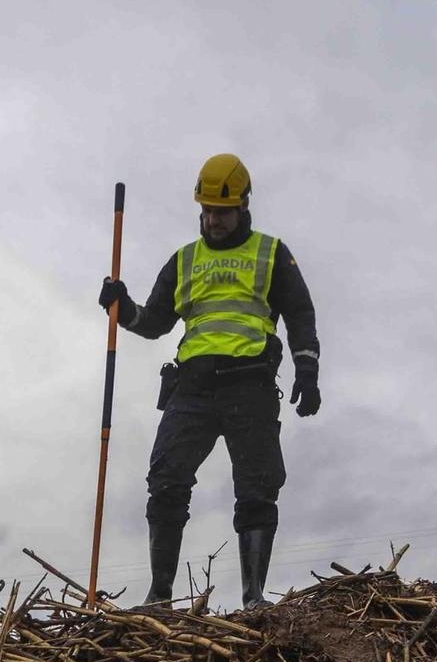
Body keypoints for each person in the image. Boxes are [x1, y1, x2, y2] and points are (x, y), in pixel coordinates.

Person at [98, 153, 321, 609]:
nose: (213, 219)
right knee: (165, 480)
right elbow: (154, 322)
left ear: (243, 207)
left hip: (250, 387)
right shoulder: (183, 261)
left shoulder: (270, 253)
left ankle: (253, 597)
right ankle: (160, 595)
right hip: (192, 389)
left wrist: (308, 369)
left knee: (258, 489)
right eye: (207, 210)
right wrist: (121, 308)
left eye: (222, 211)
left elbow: (300, 313)